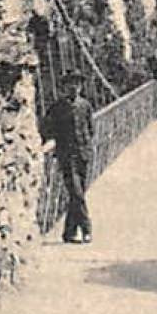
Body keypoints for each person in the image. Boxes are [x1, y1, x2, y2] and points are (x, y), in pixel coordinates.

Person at [43, 71, 95, 244]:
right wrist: (50, 143)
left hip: (83, 154)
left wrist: (87, 146)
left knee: (77, 194)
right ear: (65, 87)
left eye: (78, 84)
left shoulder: (85, 105)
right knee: (77, 193)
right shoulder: (57, 108)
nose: (74, 87)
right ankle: (87, 229)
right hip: (67, 156)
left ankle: (69, 232)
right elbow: (46, 128)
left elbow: (90, 129)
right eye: (71, 84)